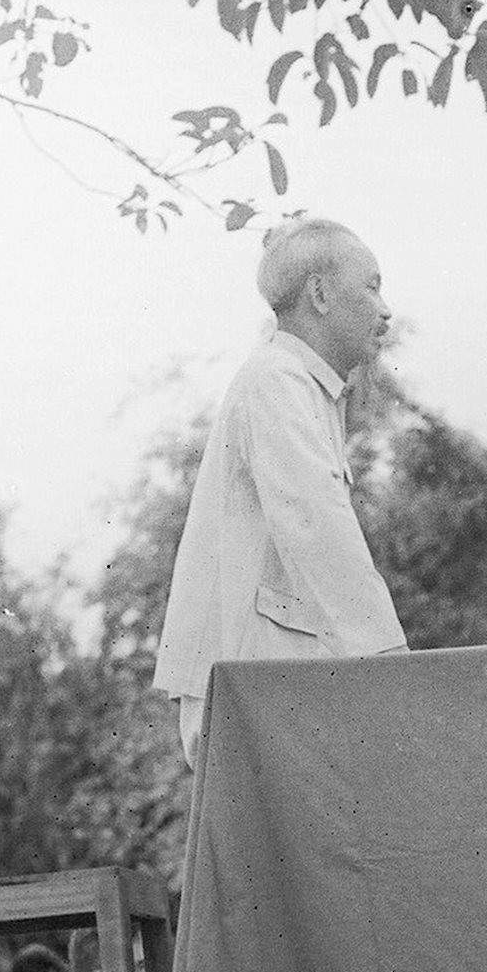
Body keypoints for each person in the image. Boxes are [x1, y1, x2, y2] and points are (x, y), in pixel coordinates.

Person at [154, 216, 409, 768]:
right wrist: (393, 664)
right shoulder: (276, 379)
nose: (386, 309)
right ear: (319, 293)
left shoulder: (302, 386)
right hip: (253, 683)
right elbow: (317, 529)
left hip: (276, 680)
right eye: (371, 286)